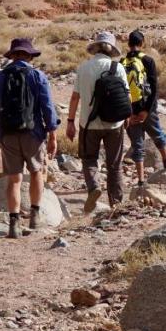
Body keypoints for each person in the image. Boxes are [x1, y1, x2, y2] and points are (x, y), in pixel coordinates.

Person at [0, 37, 59, 238]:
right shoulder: (37, 76)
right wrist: (52, 133)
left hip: (8, 134)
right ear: (29, 56)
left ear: (12, 55)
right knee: (36, 172)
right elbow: (47, 107)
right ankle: (35, 216)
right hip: (33, 133)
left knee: (14, 179)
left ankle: (14, 223)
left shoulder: (0, 77)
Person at [67, 31, 131, 214]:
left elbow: (74, 98)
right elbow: (126, 96)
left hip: (88, 124)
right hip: (114, 124)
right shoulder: (117, 68)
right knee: (115, 164)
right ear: (112, 50)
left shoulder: (84, 68)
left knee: (89, 159)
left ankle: (94, 185)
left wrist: (70, 121)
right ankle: (116, 204)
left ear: (95, 48)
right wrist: (127, 116)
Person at [123, 29, 166, 187]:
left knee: (137, 144)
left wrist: (128, 113)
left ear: (128, 44)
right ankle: (165, 159)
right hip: (147, 108)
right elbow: (154, 87)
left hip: (130, 110)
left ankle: (140, 180)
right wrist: (147, 110)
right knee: (157, 134)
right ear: (142, 43)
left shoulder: (121, 63)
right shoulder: (148, 60)